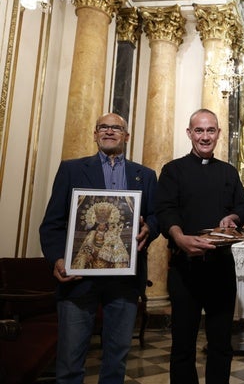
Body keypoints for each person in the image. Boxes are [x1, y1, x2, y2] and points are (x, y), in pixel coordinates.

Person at [39, 112, 159, 384]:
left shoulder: (145, 175)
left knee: (116, 362)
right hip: (78, 279)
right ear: (95, 134)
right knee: (70, 362)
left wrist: (149, 227)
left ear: (126, 137)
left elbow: (156, 216)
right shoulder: (71, 169)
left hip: (124, 281)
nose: (109, 132)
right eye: (103, 127)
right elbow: (52, 223)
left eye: (116, 128)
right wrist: (58, 259)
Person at [155, 108, 244, 384]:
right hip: (185, 269)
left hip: (221, 268)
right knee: (183, 343)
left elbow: (243, 207)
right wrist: (179, 238)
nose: (205, 136)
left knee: (221, 343)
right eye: (199, 130)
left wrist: (233, 217)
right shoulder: (173, 170)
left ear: (218, 134)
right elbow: (165, 210)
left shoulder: (229, 172)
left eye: (210, 130)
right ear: (189, 133)